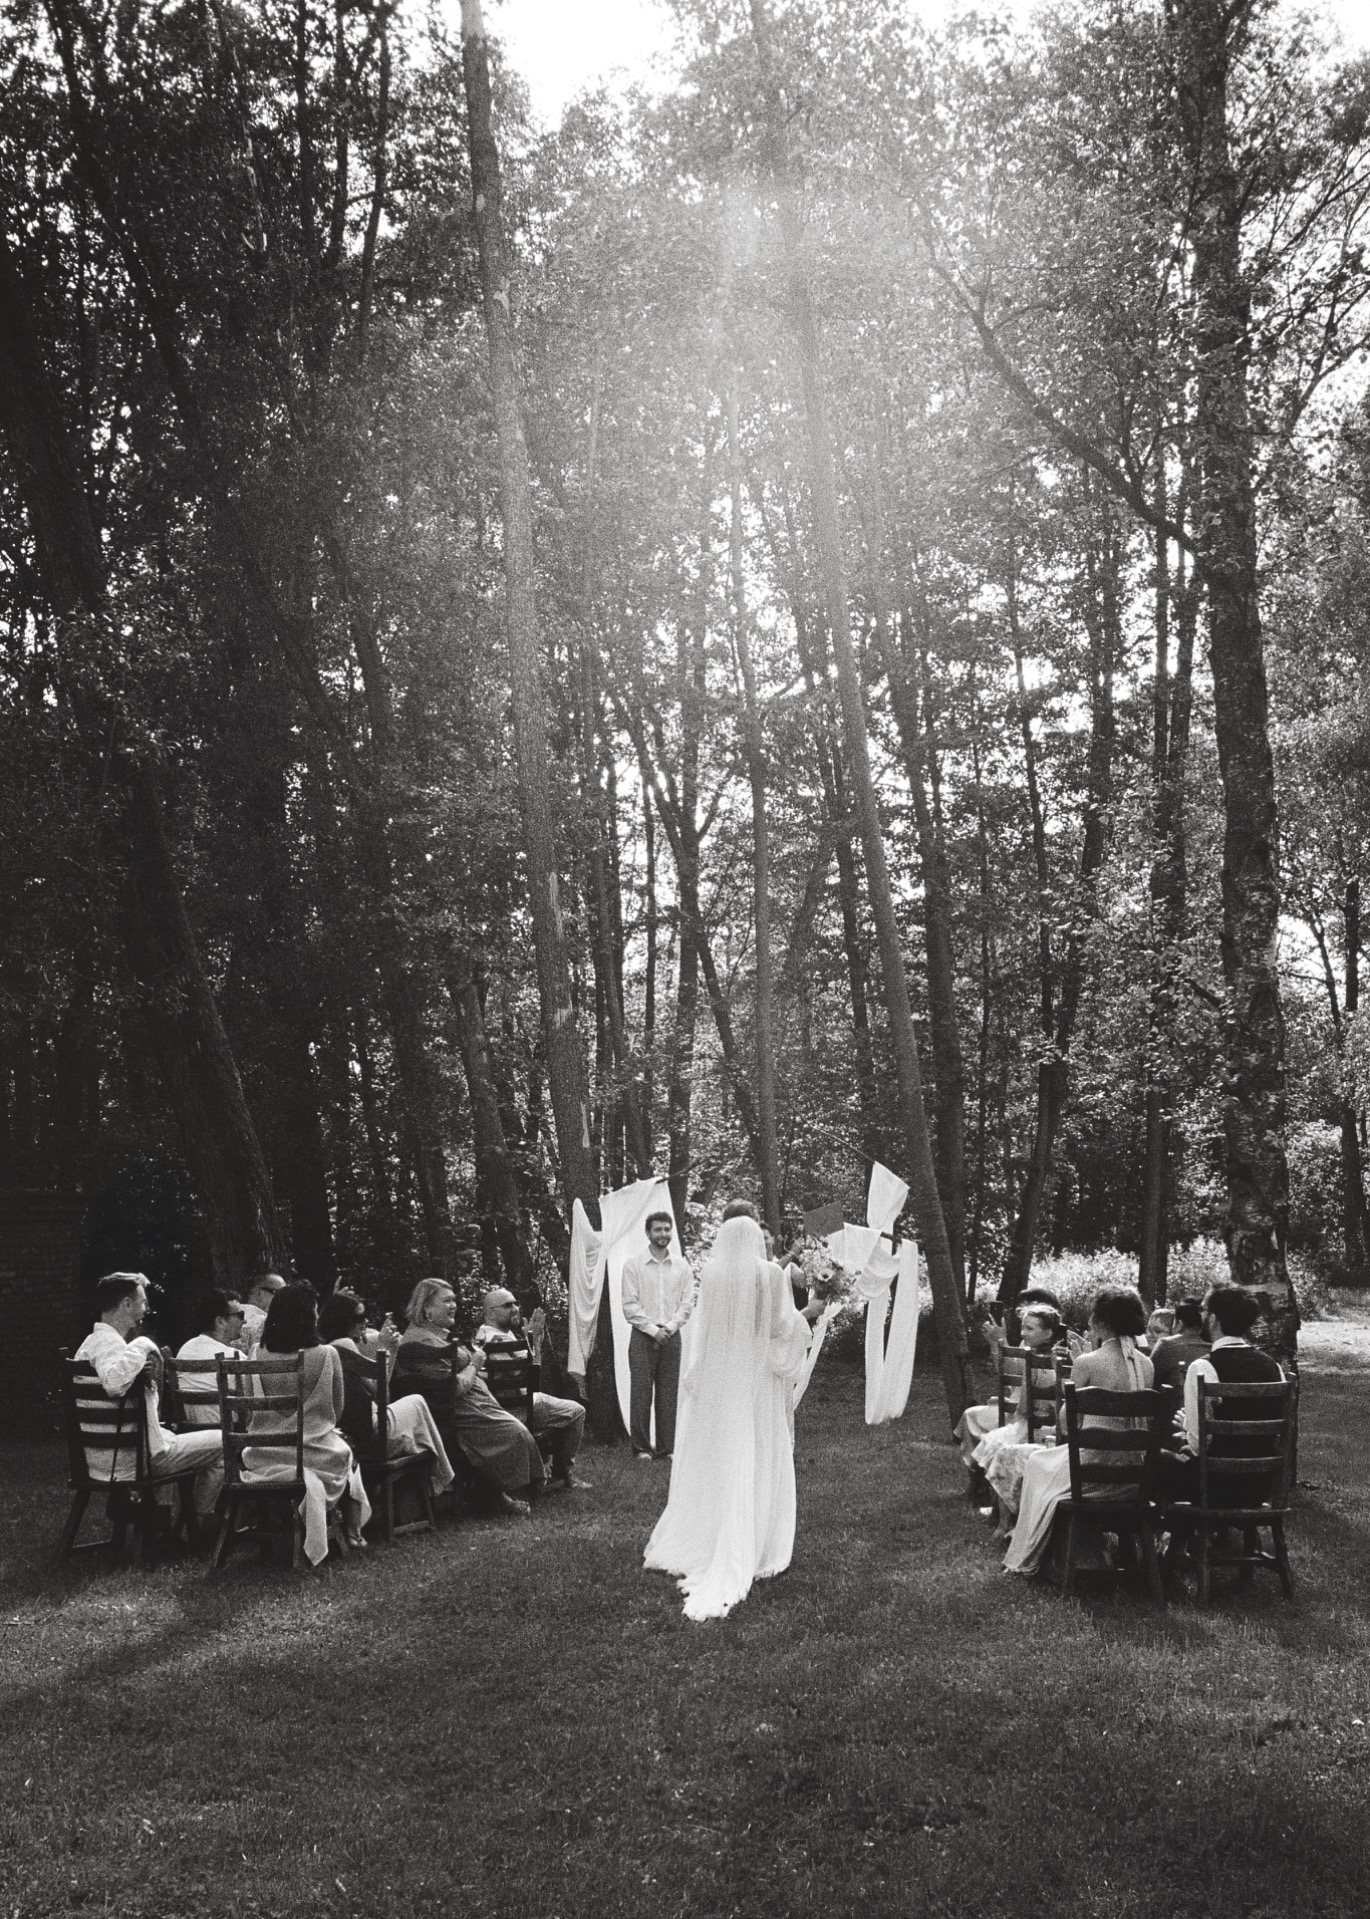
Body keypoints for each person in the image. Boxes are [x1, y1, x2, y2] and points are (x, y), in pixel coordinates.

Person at [644, 1212, 823, 1622]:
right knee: (758, 1448)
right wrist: (809, 1311)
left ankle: (710, 1535)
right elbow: (779, 1328)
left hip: (723, 1374)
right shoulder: (769, 1274)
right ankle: (755, 1540)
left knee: (724, 1452)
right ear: (757, 1237)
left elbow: (707, 1328)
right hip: (757, 1376)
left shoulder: (712, 1273)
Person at [1003, 1285, 1154, 1578]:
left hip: (1091, 1472)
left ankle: (1039, 1548)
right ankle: (1078, 1549)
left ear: (1100, 1321)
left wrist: (1079, 1367)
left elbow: (1067, 1427)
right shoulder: (1146, 1365)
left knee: (1036, 1462)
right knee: (1043, 1462)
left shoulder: (1087, 1363)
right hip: (1134, 1475)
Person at [74, 1272, 224, 1518]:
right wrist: (142, 1344)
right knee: (224, 1442)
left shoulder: (91, 1344)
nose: (146, 1308)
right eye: (143, 1302)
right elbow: (114, 1384)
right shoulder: (111, 1345)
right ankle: (197, 1522)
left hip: (101, 1461)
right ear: (127, 1304)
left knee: (169, 1435)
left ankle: (161, 1519)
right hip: (131, 1462)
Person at [391, 1278, 543, 1515]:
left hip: (471, 1406)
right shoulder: (422, 1342)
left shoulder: (433, 1335)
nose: (453, 1305)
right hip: (460, 1414)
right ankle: (504, 1493)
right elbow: (454, 1389)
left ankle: (500, 1491)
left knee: (518, 1427)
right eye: (446, 1301)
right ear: (426, 1307)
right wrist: (474, 1364)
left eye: (454, 1300)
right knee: (516, 1433)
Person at [247, 1282, 371, 1559]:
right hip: (314, 1455)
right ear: (308, 1316)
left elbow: (246, 1413)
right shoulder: (327, 1354)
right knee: (346, 1449)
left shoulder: (254, 1353)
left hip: (263, 1457)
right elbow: (336, 1411)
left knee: (342, 1447)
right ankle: (353, 1532)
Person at [318, 1289, 456, 1498]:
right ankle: (442, 1479)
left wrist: (387, 1350)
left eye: (366, 1316)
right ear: (343, 1320)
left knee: (416, 1417)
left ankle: (436, 1480)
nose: (365, 1322)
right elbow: (379, 1393)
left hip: (348, 1432)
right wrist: (387, 1350)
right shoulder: (344, 1344)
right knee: (417, 1402)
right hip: (370, 1433)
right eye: (359, 1317)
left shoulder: (327, 1346)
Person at [1159, 1285, 1285, 1505]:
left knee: (1156, 1459)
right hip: (1260, 1487)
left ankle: (1172, 1525)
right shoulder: (1274, 1367)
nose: (1201, 1316)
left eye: (1204, 1310)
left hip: (1214, 1486)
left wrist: (1188, 1426)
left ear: (1213, 1318)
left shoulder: (1202, 1368)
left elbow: (1198, 1447)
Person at [473, 1289, 589, 1490]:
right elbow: (533, 1383)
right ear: (489, 1312)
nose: (515, 1308)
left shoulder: (482, 1335)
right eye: (507, 1305)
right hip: (517, 1410)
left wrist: (531, 1341)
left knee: (554, 1405)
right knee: (577, 1411)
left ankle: (540, 1469)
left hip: (495, 1407)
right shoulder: (500, 1340)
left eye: (515, 1303)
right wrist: (535, 1341)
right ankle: (563, 1474)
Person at [976, 1304, 1066, 1527]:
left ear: (1048, 1333)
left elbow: (1023, 1408)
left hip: (1035, 1429)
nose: (1023, 1333)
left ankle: (1004, 1515)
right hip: (1056, 1429)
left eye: (1030, 1329)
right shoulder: (1067, 1357)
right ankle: (1002, 1510)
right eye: (1023, 1328)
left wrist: (1015, 1422)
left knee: (995, 1441)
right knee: (997, 1439)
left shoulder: (1033, 1361)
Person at [620, 1212, 695, 1462]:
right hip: (643, 1335)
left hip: (672, 1336)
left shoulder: (682, 1267)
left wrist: (669, 1329)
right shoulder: (633, 1265)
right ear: (648, 1233)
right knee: (641, 1393)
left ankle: (666, 1448)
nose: (663, 1234)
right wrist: (654, 1330)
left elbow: (687, 1304)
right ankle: (641, 1448)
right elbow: (630, 1306)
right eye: (658, 1230)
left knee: (668, 1393)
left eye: (666, 1229)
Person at [174, 1291, 248, 1426]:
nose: (244, 1321)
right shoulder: (234, 1357)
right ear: (220, 1321)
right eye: (240, 1315)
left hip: (193, 1433)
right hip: (232, 1432)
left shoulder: (184, 1351)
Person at [1148, 1298, 1209, 1410]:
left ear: (1180, 1323)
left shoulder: (1166, 1345)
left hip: (1173, 1415)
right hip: (1205, 1414)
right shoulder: (1212, 1347)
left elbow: (1150, 1382)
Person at [240, 1272, 288, 1357]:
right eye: (279, 1293)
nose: (285, 1299)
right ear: (259, 1293)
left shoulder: (226, 1318)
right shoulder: (267, 1322)